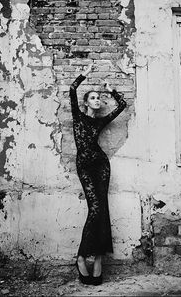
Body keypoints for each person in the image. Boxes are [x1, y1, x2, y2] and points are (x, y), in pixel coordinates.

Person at [70, 63, 127, 285]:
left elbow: (122, 105)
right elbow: (72, 90)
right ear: (85, 103)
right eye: (92, 98)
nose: (96, 101)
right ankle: (81, 257)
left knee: (102, 210)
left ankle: (99, 262)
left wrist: (110, 89)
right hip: (85, 166)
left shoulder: (100, 120)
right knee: (95, 210)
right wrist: (85, 72)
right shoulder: (78, 116)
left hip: (101, 166)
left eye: (98, 98)